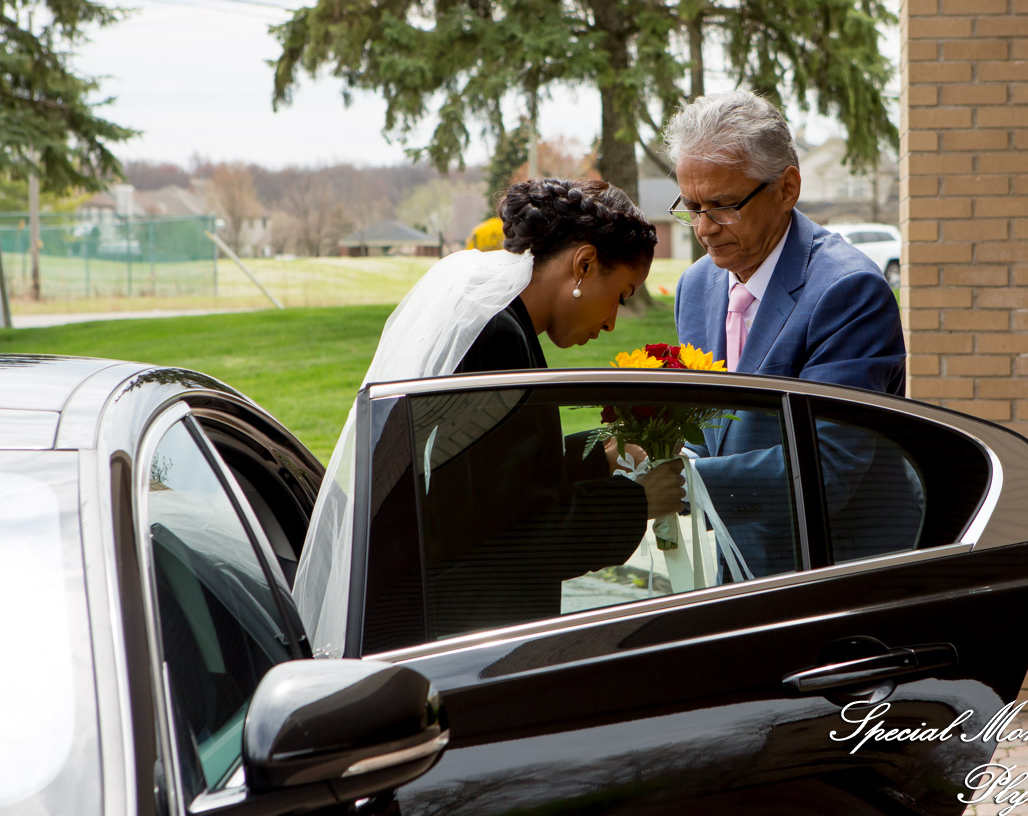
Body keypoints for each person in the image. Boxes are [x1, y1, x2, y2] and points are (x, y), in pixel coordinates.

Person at [294, 179, 684, 651]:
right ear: (583, 264)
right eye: (620, 296)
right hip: (443, 636)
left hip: (426, 613)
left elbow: (486, 487)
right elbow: (513, 537)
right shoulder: (499, 341)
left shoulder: (500, 324)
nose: (611, 323)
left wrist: (595, 457)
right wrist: (636, 503)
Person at [663, 92, 919, 580]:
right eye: (691, 206)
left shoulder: (848, 290)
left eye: (722, 206)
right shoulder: (695, 288)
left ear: (787, 188)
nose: (703, 229)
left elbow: (829, 469)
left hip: (837, 576)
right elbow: (710, 435)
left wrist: (681, 484)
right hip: (740, 572)